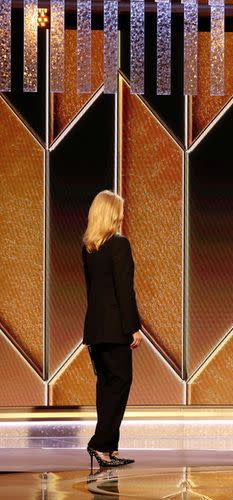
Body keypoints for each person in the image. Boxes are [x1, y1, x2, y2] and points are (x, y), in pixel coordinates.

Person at [82, 190, 142, 468]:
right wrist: (133, 328)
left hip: (95, 329)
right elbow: (124, 292)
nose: (122, 214)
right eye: (119, 210)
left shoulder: (90, 247)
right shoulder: (119, 244)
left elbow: (93, 291)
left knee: (107, 387)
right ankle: (101, 444)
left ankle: (109, 448)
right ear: (112, 213)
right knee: (118, 385)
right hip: (115, 329)